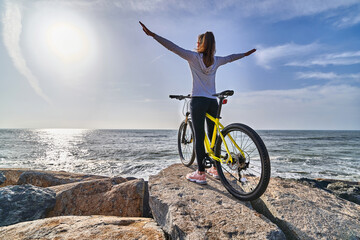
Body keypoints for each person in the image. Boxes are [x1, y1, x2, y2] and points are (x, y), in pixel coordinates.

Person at [139, 21, 256, 185]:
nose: (195, 45)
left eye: (197, 42)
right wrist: (245, 54)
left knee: (199, 137)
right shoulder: (216, 60)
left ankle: (201, 173)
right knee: (213, 135)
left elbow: (172, 47)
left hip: (198, 101)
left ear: (202, 43)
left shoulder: (193, 57)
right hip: (212, 102)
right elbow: (230, 58)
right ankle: (215, 168)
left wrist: (153, 35)